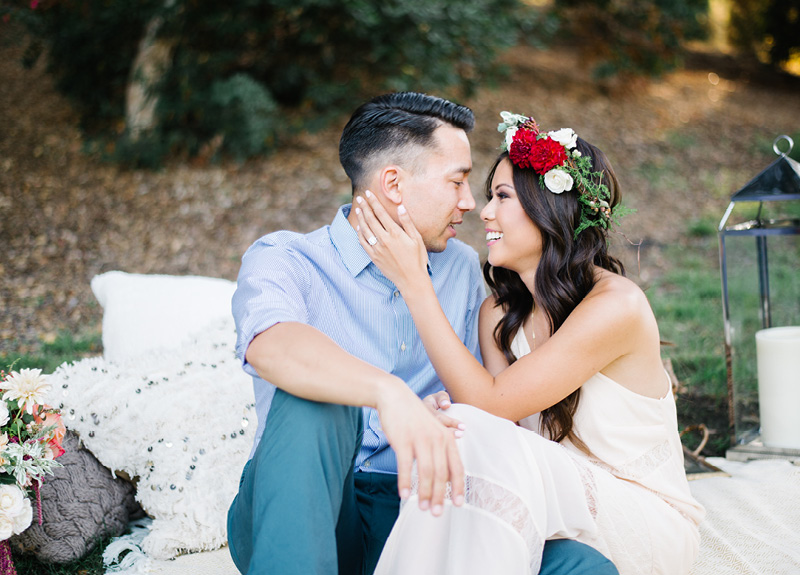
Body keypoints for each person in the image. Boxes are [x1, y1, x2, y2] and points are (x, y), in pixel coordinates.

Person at [227, 95, 620, 575]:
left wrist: (447, 412)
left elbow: (487, 404)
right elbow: (270, 345)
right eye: (456, 181)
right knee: (316, 397)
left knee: (580, 566)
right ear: (393, 183)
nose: (470, 203)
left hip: (423, 511)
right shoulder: (286, 259)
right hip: (312, 507)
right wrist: (389, 394)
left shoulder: (458, 270)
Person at [353, 111, 705, 575]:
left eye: (502, 197)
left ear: (549, 208)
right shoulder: (499, 316)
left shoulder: (617, 305)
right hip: (555, 507)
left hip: (643, 519)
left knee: (464, 423)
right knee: (457, 432)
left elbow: (490, 405)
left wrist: (415, 283)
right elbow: (500, 434)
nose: (483, 212)